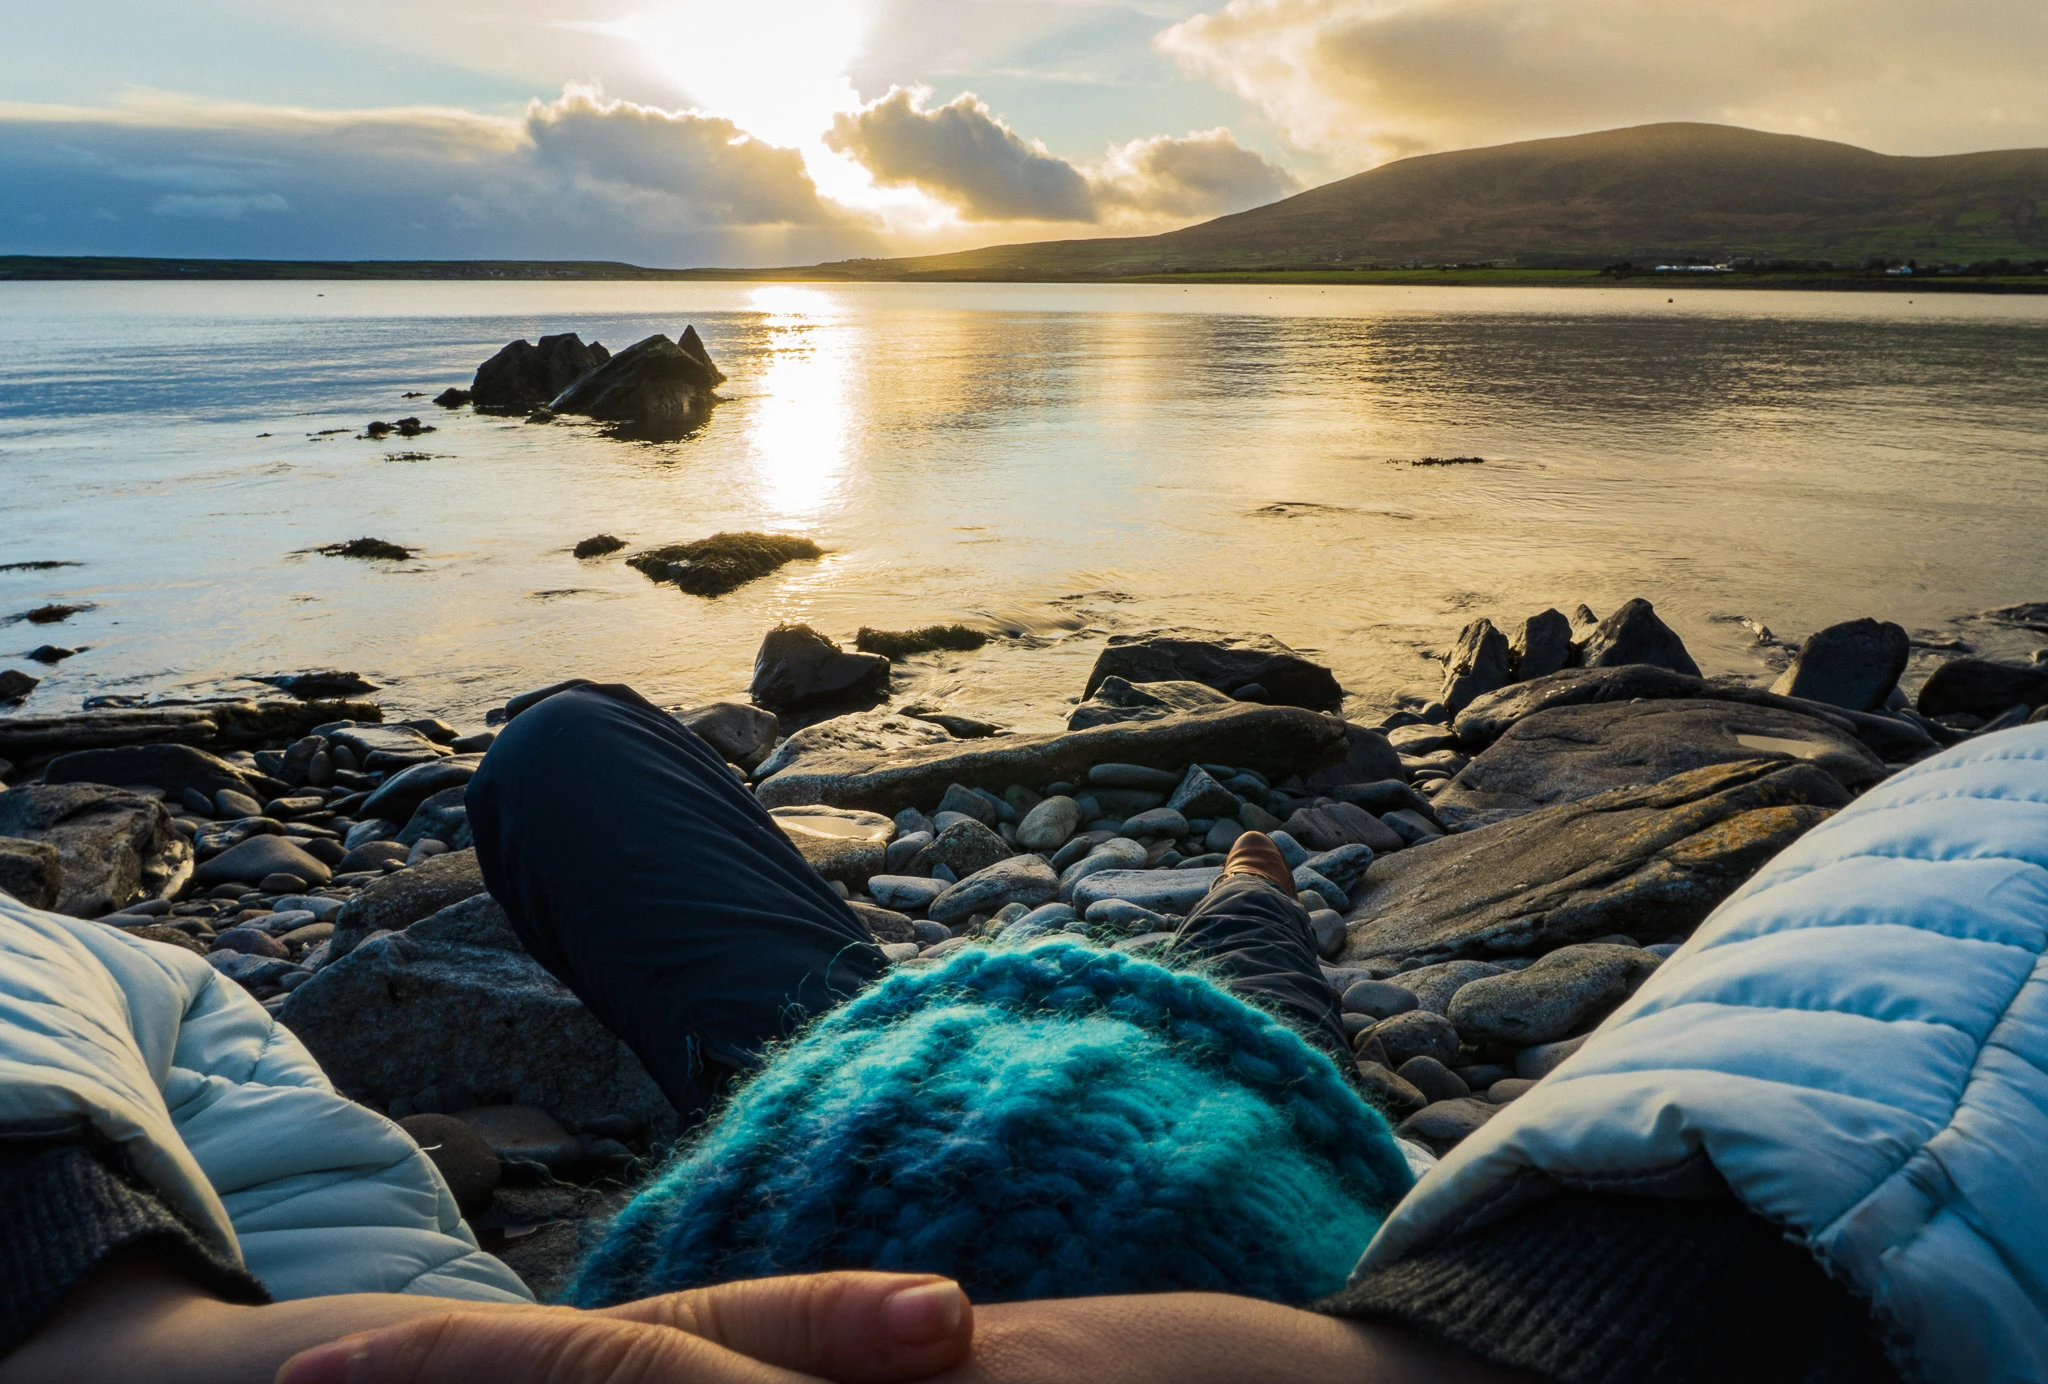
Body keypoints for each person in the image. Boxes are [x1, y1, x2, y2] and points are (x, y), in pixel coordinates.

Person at [0, 686, 2042, 1384]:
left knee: (557, 749)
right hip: (1286, 1217)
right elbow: (2006, 810)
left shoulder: (364, 1319)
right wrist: (1540, 1326)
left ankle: (1248, 891)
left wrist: (87, 1298)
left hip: (795, 1154)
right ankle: (1251, 875)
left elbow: (84, 962)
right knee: (1255, 991)